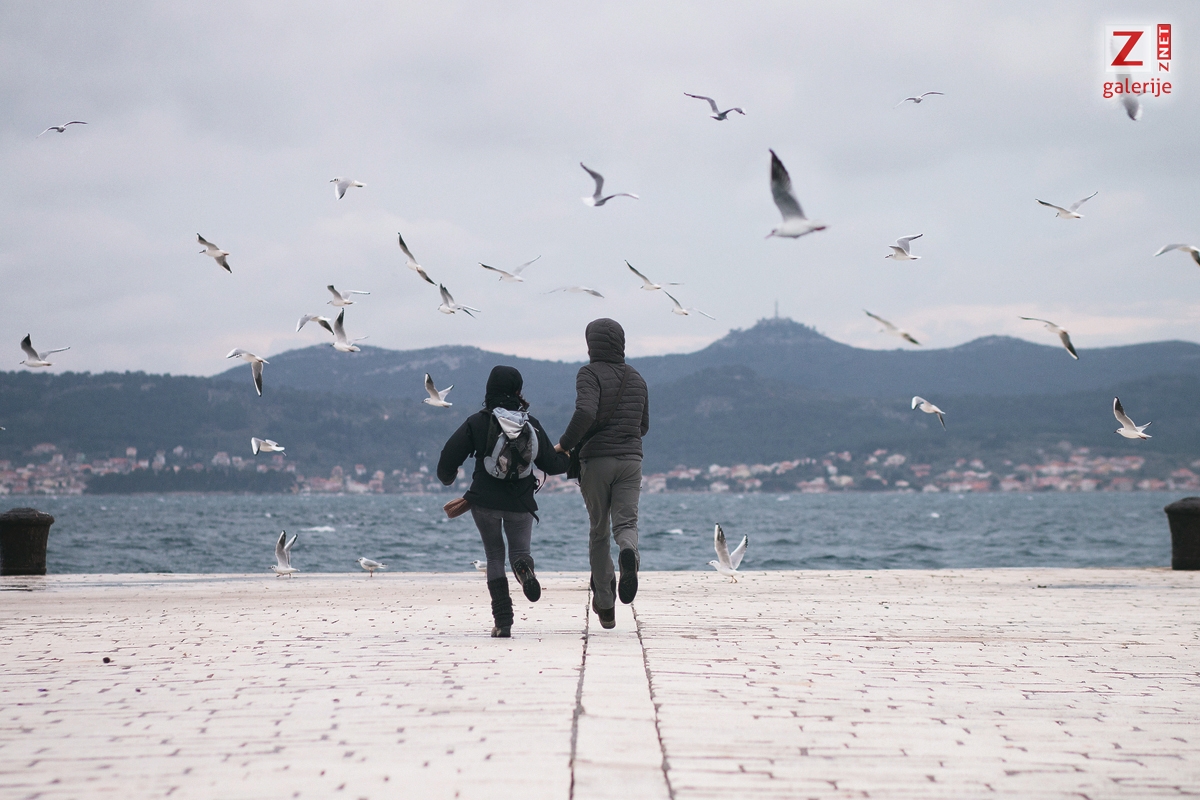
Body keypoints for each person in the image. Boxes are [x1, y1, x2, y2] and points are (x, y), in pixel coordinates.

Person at [438, 365, 569, 638]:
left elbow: (449, 457)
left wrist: (448, 477)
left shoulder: (478, 421)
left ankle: (503, 621)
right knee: (519, 551)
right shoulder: (530, 424)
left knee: (494, 556)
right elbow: (551, 464)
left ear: (490, 390)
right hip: (521, 502)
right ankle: (524, 569)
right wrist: (573, 460)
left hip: (484, 500)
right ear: (517, 391)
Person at [555, 318, 649, 630]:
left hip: (596, 461)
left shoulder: (589, 373)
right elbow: (643, 425)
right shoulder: (636, 377)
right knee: (627, 524)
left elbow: (585, 412)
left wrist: (565, 444)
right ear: (621, 342)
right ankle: (629, 554)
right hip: (631, 461)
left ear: (591, 344)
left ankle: (606, 606)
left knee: (599, 530)